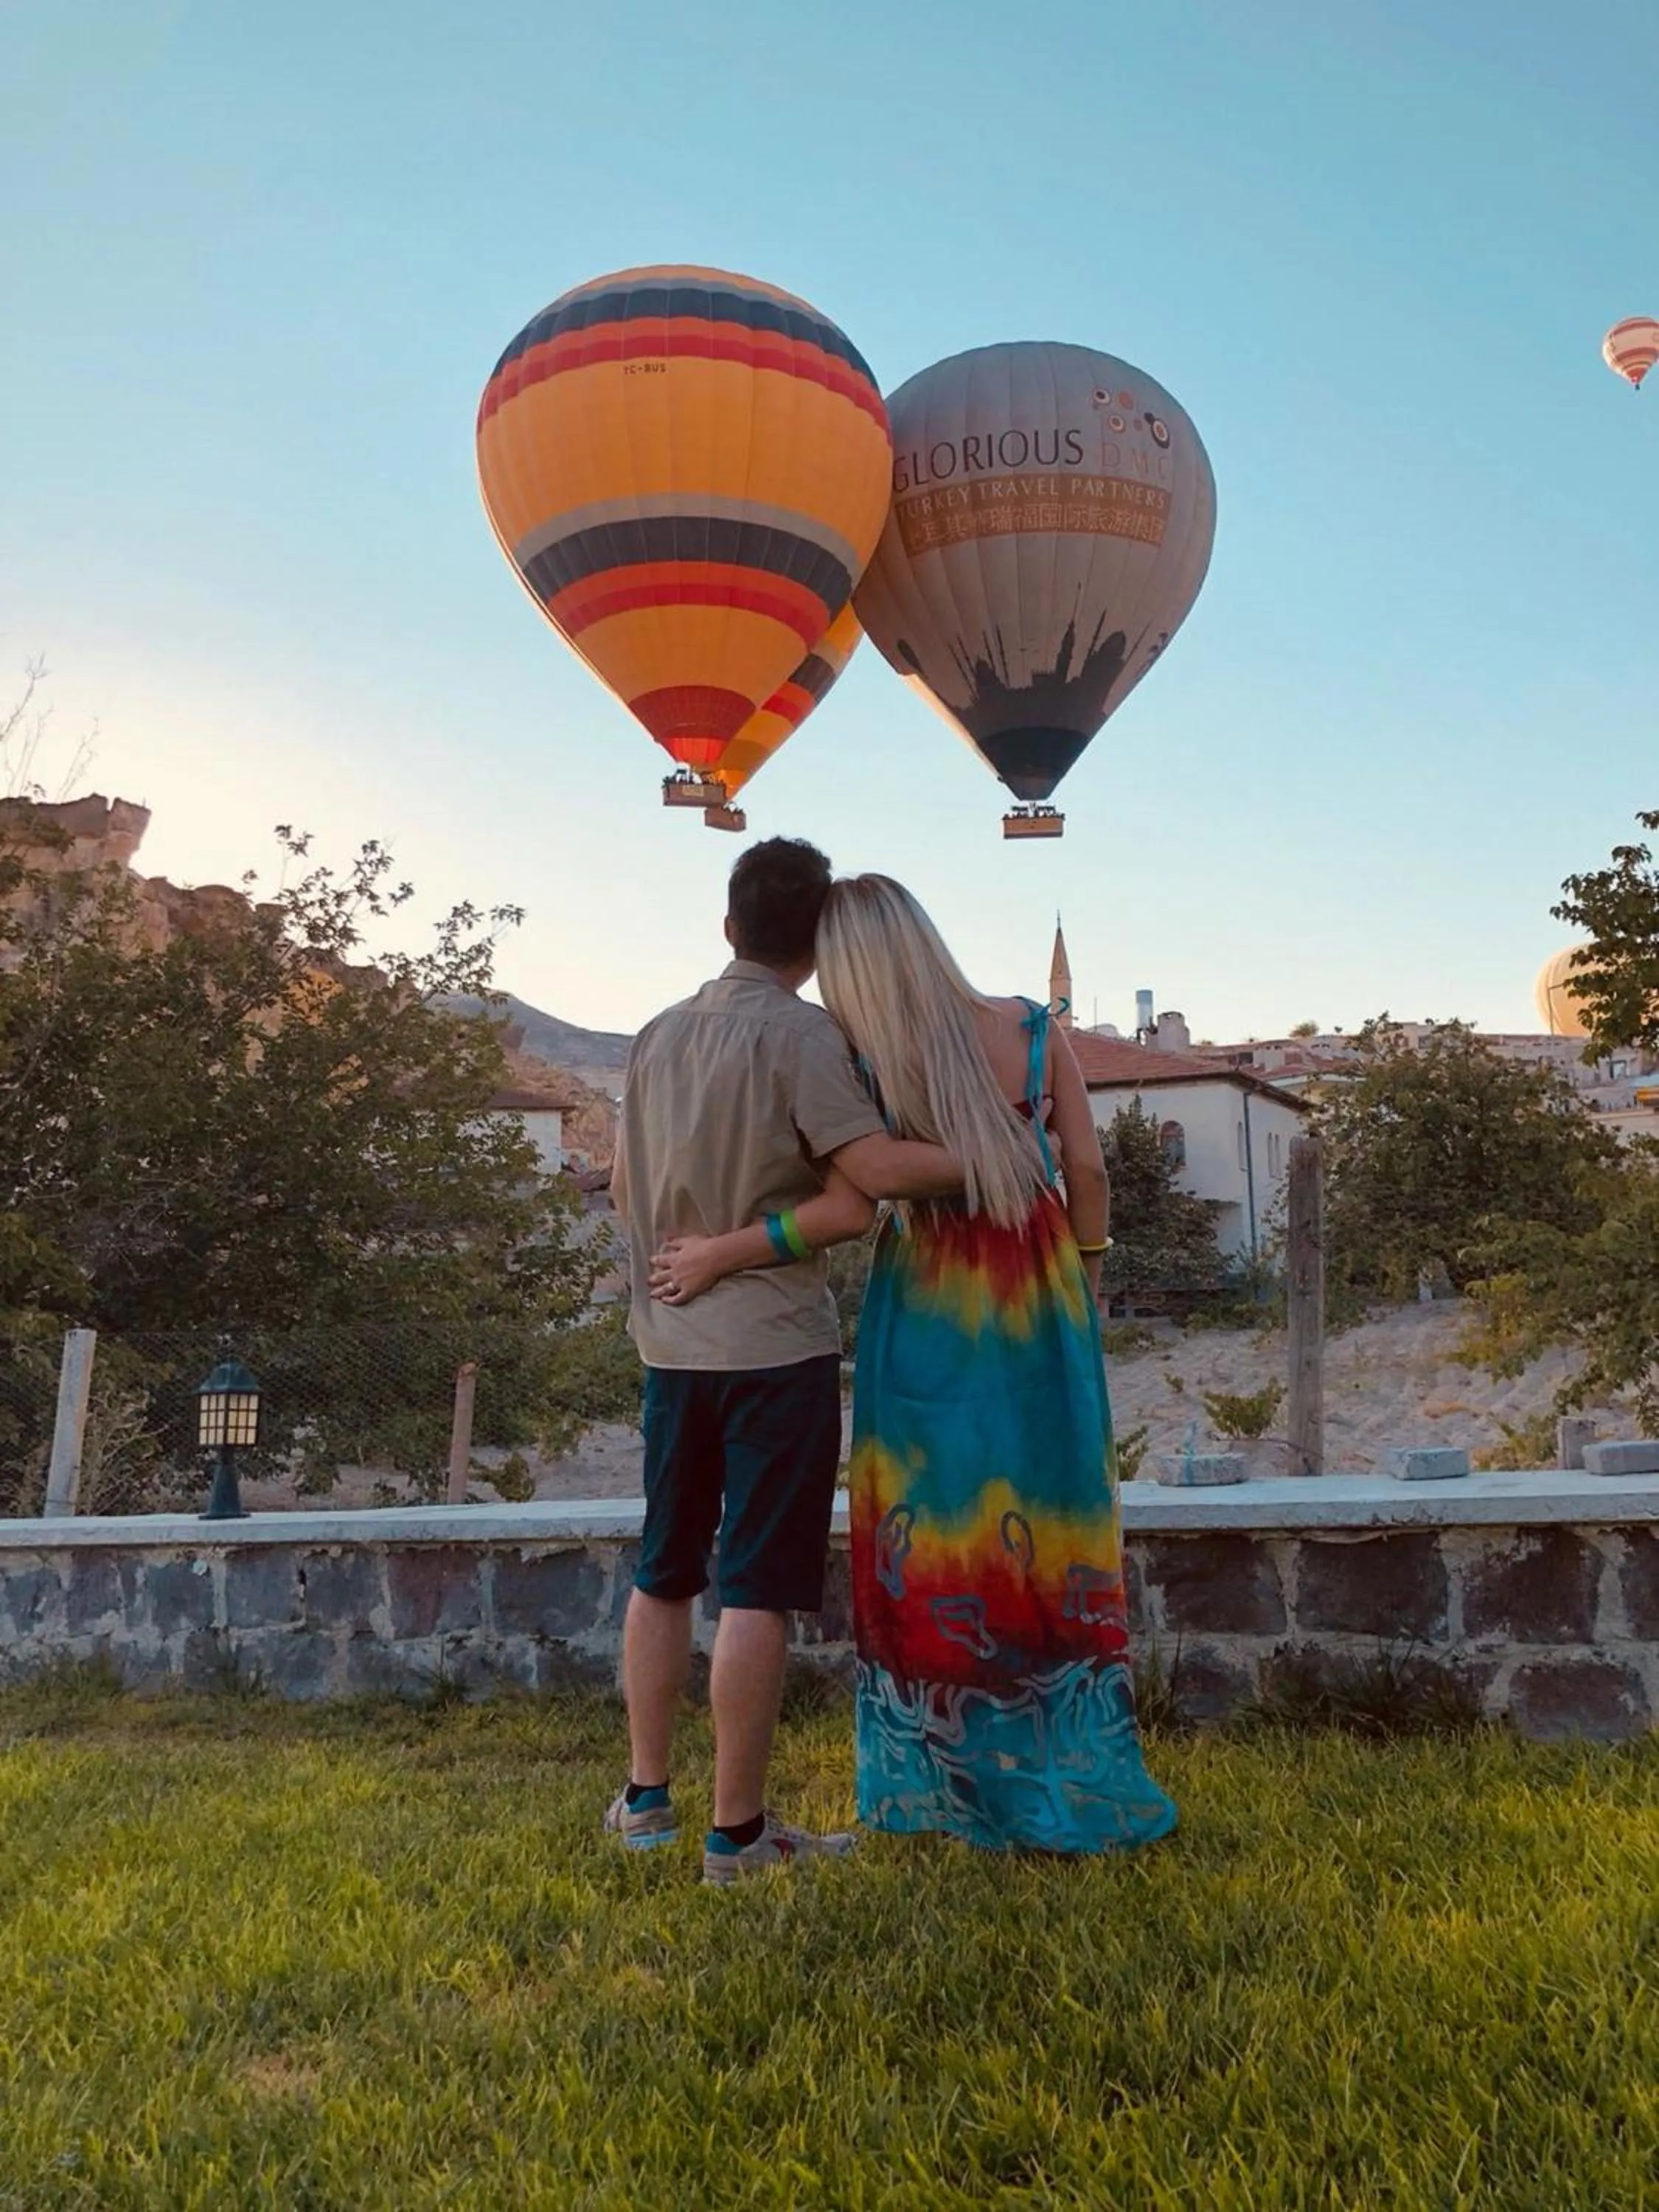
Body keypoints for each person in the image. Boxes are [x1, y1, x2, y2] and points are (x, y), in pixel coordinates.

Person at [653, 873, 1175, 1856]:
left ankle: (941, 1778)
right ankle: (1063, 1764)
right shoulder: (1029, 1024)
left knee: (929, 1531)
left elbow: (859, 1189)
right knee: (1049, 1513)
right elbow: (1090, 1168)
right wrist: (1089, 1269)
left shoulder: (857, 1057)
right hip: (1038, 1294)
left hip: (929, 1299)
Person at [607, 839, 961, 1885]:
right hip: (773, 1351)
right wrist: (994, 1151)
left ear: (728, 926)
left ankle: (643, 1803)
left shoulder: (654, 1037)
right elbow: (855, 1201)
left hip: (670, 1349)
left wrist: (692, 1254)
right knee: (755, 1588)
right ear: (815, 945)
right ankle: (738, 1835)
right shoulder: (807, 1039)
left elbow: (627, 1193)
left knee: (663, 1570)